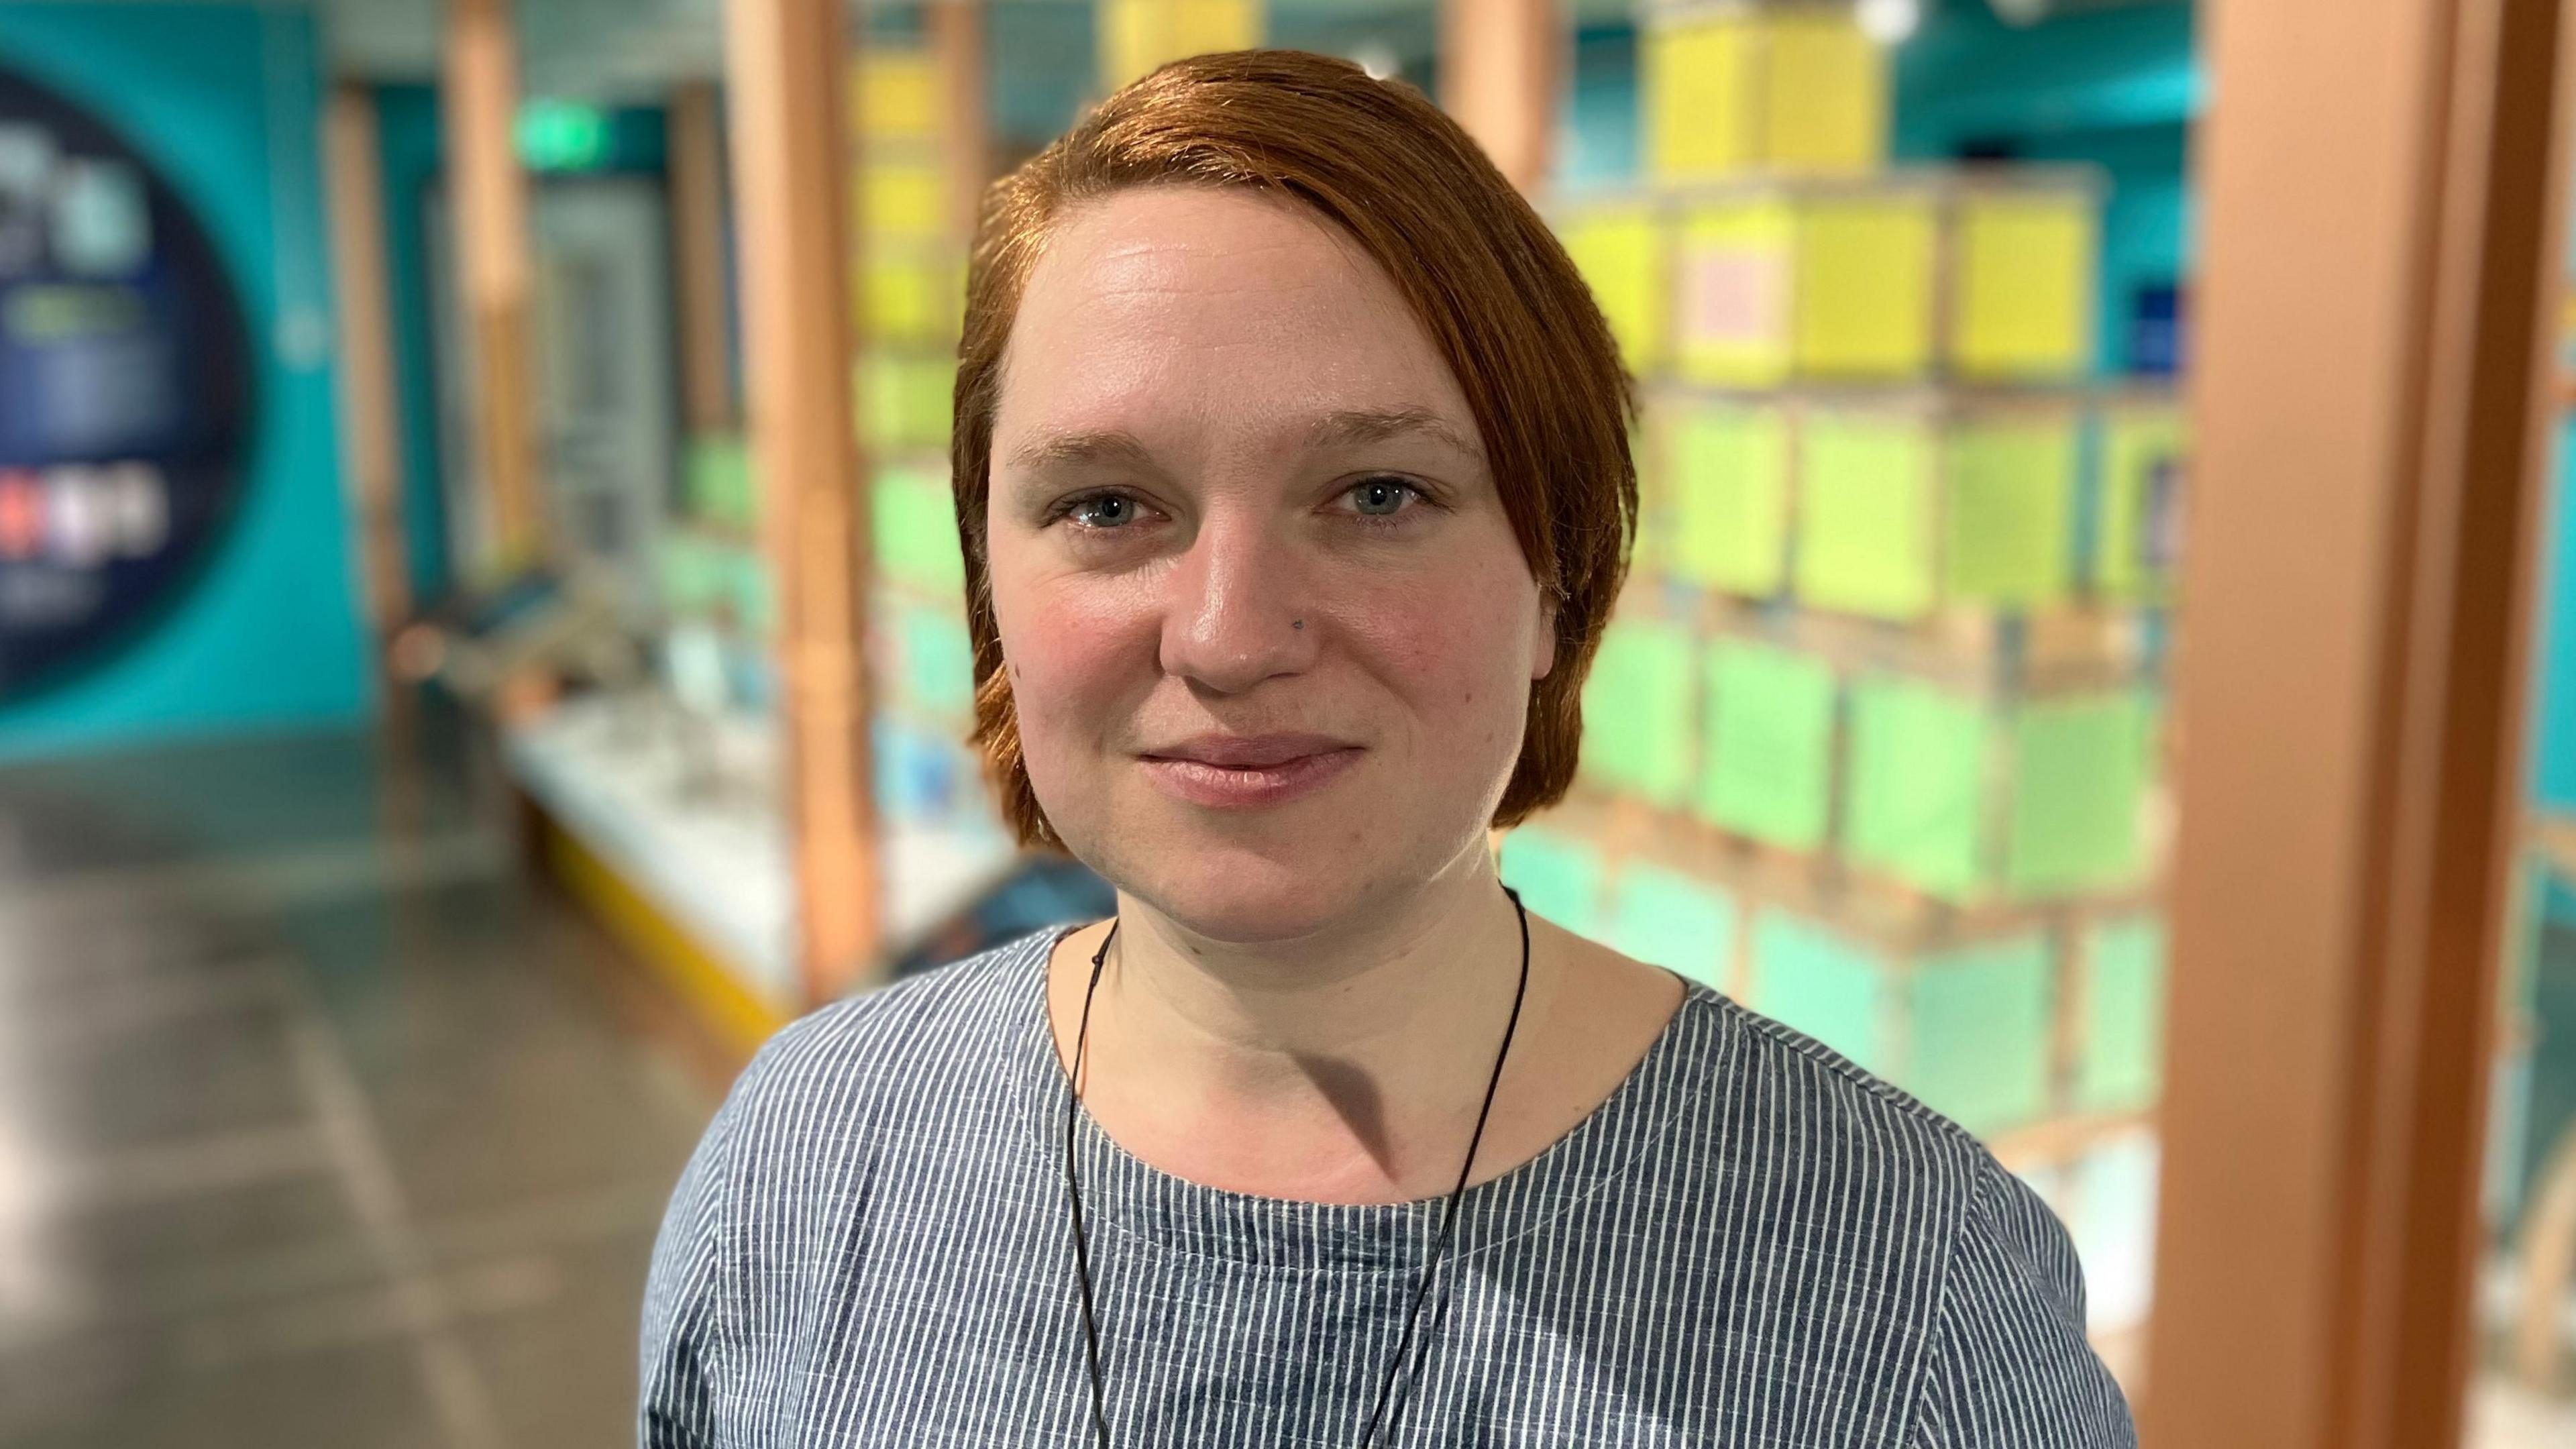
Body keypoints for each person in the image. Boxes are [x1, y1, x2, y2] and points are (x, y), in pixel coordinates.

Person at [641, 49, 2135, 1448]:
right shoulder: (802, 1167)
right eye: (1108, 506)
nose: (1227, 636)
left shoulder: (1907, 1301)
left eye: (1376, 496)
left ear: (1558, 581)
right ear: (991, 583)